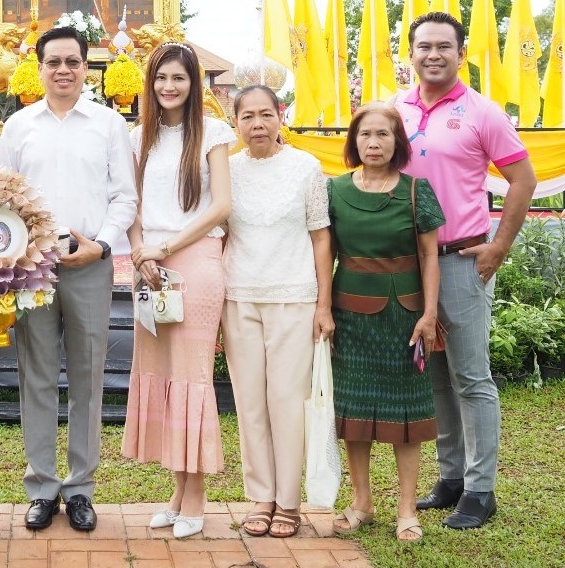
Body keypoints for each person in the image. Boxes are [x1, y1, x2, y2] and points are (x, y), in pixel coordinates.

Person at [0, 25, 138, 532]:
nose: (63, 70)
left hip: (89, 267)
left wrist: (100, 243)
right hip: (30, 270)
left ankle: (80, 488)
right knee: (35, 377)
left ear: (86, 67)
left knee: (87, 379)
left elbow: (125, 195)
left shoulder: (107, 124)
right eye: (53, 62)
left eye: (72, 61)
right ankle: (42, 487)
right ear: (39, 67)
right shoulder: (19, 127)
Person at [396, 12, 537, 530]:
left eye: (444, 47)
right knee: (433, 372)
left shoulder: (483, 113)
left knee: (471, 376)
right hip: (410, 262)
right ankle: (450, 477)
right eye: (424, 46)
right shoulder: (397, 110)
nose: (433, 55)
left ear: (461, 52)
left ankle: (481, 490)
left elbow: (523, 179)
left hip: (462, 258)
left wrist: (499, 246)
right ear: (410, 53)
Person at [120, 42, 234, 539]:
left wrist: (164, 247)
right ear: (151, 82)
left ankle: (197, 498)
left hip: (196, 263)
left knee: (191, 381)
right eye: (162, 78)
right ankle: (175, 493)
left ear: (194, 84)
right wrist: (142, 250)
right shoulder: (136, 138)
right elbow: (131, 204)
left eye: (179, 78)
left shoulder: (213, 133)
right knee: (164, 379)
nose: (169, 86)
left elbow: (221, 206)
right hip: (149, 269)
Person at [220, 85, 334, 539]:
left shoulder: (306, 167)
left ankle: (288, 501)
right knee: (249, 403)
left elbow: (321, 237)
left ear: (281, 116)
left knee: (288, 402)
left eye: (266, 114)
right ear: (236, 123)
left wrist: (323, 304)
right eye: (247, 116)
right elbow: (221, 235)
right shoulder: (226, 171)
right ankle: (260, 497)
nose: (257, 124)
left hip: (295, 297)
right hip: (239, 296)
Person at [327, 103, 443, 542]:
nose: (373, 142)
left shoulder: (417, 191)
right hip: (349, 317)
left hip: (404, 318)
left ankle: (407, 509)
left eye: (383, 134)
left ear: (398, 143)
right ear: (354, 141)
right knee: (353, 413)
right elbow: (326, 254)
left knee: (405, 417)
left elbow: (430, 255)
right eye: (365, 135)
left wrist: (430, 315)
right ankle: (362, 502)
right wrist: (323, 309)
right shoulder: (334, 191)